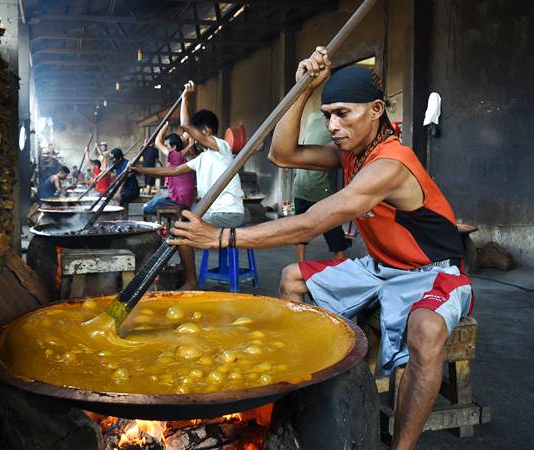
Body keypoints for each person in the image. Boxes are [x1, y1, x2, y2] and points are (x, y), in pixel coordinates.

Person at [169, 47, 472, 450]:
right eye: (327, 114)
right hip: (380, 267)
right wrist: (301, 90)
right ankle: (307, 392)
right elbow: (282, 154)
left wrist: (222, 237)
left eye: (342, 113)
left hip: (434, 273)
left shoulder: (391, 164)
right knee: (293, 278)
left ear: (376, 109)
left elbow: (314, 223)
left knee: (426, 330)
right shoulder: (353, 154)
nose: (331, 124)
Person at [133, 80, 244, 290]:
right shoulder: (203, 158)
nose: (189, 136)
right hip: (213, 212)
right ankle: (188, 277)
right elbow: (173, 171)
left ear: (207, 131)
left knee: (181, 233)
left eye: (195, 132)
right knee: (180, 229)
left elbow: (185, 125)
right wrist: (141, 170)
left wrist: (185, 98)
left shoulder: (221, 146)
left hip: (228, 212)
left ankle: (191, 282)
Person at [292, 111, 350, 262]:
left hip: (300, 185)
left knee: (300, 232)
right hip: (317, 188)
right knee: (334, 236)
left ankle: (301, 265)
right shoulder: (335, 123)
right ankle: (341, 266)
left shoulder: (313, 118)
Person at [140, 122, 196, 215]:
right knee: (155, 200)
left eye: (166, 146)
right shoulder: (180, 157)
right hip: (183, 200)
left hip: (179, 201)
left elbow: (158, 142)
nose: (165, 148)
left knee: (146, 207)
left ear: (174, 147)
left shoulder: (176, 156)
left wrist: (165, 126)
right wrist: (190, 143)